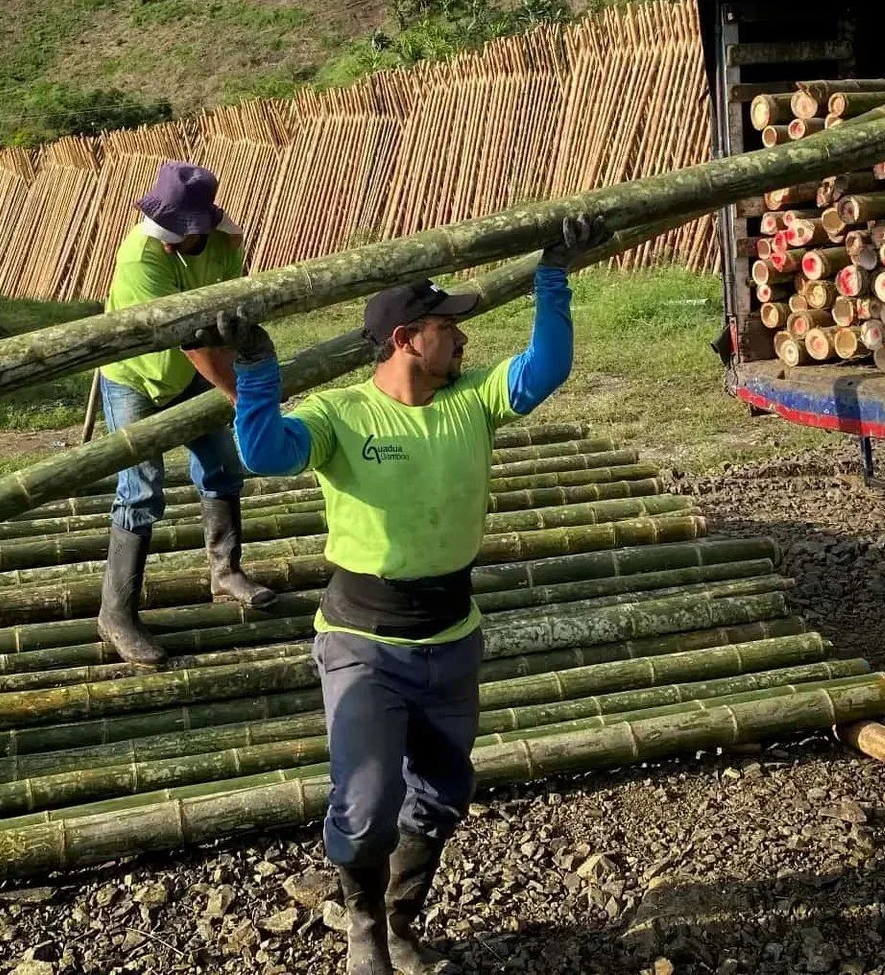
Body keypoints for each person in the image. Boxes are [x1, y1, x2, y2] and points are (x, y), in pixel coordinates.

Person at [218, 216, 603, 975]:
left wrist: (552, 276)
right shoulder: (341, 416)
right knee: (364, 810)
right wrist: (258, 368)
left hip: (453, 633)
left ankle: (398, 920)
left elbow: (545, 367)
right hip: (363, 641)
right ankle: (362, 922)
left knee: (443, 793)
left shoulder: (474, 402)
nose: (462, 337)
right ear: (405, 340)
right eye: (446, 326)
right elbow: (263, 453)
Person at [94, 162, 274, 668]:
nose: (170, 239)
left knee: (222, 464)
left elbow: (226, 319)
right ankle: (117, 614)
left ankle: (225, 572)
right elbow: (191, 339)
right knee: (140, 491)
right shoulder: (140, 260)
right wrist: (243, 397)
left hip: (194, 371)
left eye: (180, 230)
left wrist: (242, 375)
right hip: (137, 377)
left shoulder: (224, 245)